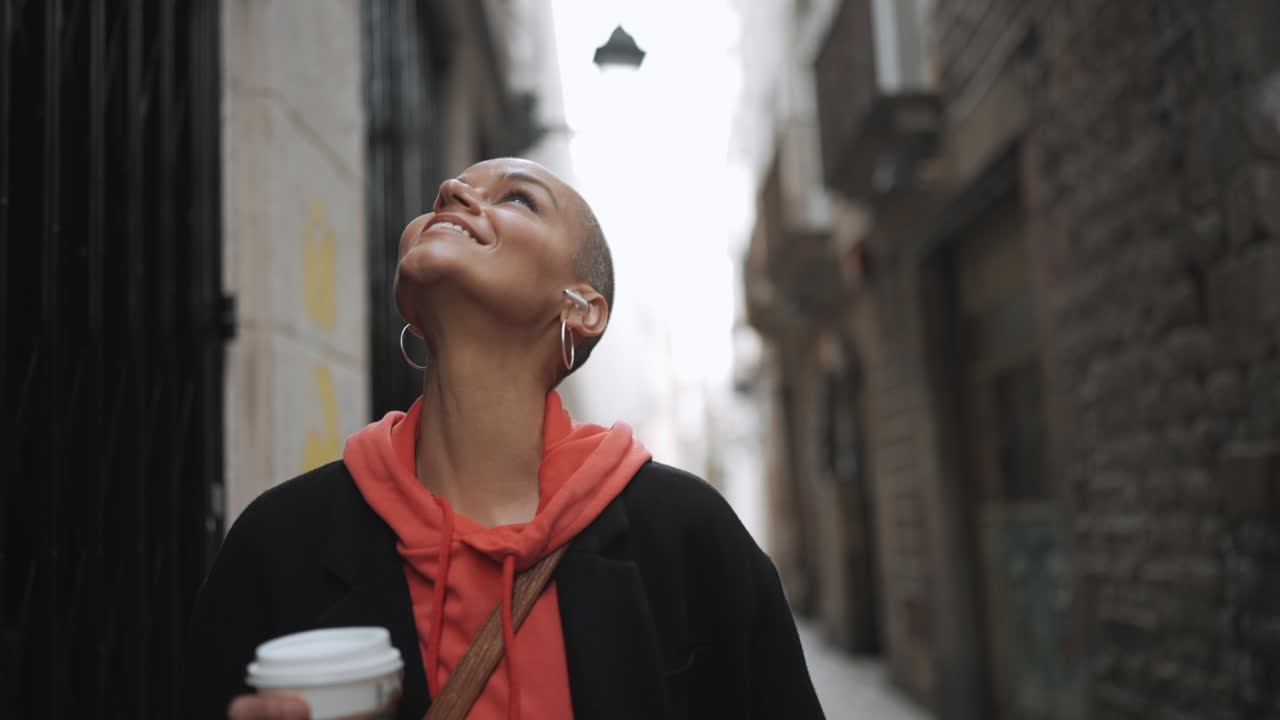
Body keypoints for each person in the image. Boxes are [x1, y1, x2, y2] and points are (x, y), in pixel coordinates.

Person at [182, 158, 824, 720]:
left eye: (518, 198)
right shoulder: (278, 544)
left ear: (582, 307)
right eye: (448, 192)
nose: (450, 192)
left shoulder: (689, 539)